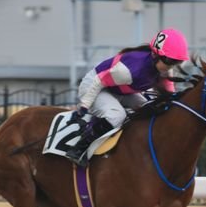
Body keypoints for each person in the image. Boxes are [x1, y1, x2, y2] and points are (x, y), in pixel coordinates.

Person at [66, 28, 190, 166]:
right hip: (96, 86)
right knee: (117, 116)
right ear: (156, 55)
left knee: (149, 110)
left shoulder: (164, 67)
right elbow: (99, 81)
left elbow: (168, 89)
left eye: (176, 62)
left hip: (122, 90)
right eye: (170, 61)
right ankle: (79, 148)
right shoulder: (131, 70)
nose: (171, 66)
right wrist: (84, 106)